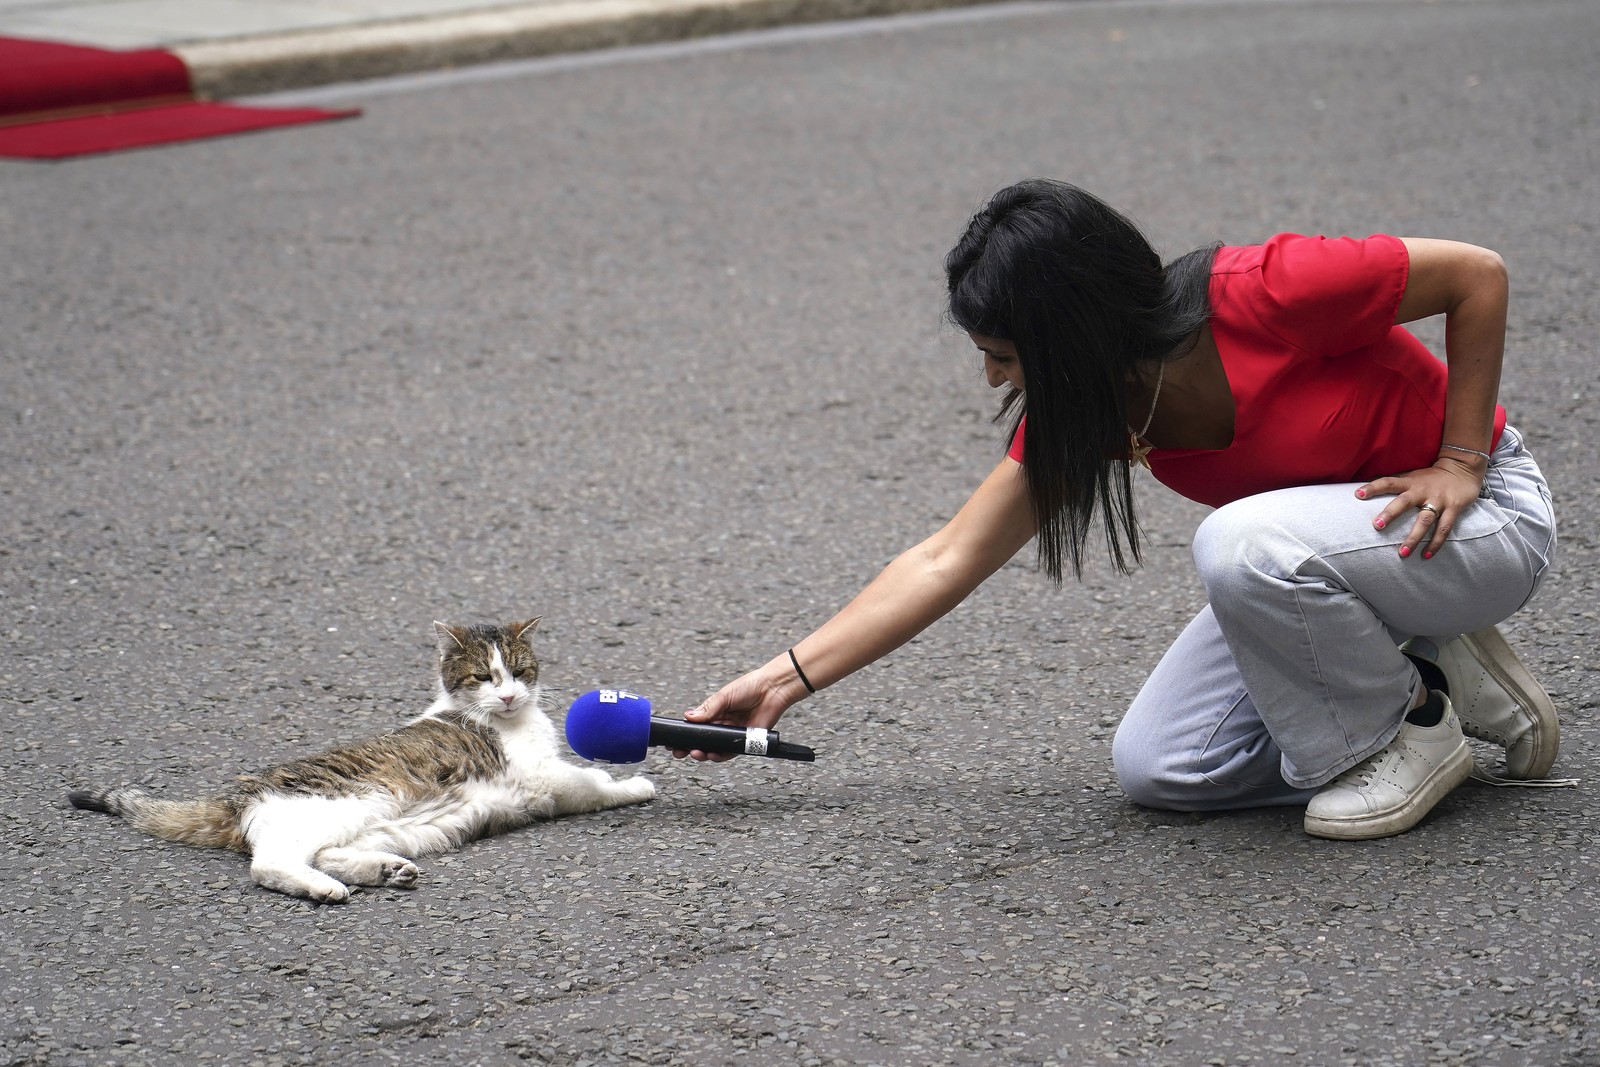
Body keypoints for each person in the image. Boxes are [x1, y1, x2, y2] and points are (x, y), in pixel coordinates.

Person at [678, 178, 1563, 841]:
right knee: (1165, 766)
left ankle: (1409, 730)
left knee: (1236, 540)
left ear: (1073, 330)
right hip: (1336, 562)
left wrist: (1461, 457)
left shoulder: (1266, 290)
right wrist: (785, 678)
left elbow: (1475, 275)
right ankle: (1421, 668)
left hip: (1479, 516)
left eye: (1002, 352)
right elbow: (947, 557)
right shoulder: (1091, 412)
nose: (992, 377)